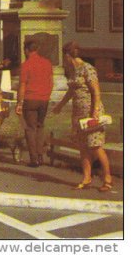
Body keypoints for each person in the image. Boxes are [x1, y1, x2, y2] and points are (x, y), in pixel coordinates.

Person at [53, 42, 112, 192]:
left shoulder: (87, 68)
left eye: (64, 56)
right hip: (78, 113)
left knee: (96, 146)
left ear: (67, 55)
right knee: (83, 147)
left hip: (91, 111)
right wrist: (60, 105)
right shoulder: (73, 71)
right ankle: (87, 178)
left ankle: (107, 179)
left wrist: (95, 112)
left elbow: (96, 91)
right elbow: (71, 91)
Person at [15, 40, 53, 167]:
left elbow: (22, 85)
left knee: (30, 128)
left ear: (26, 50)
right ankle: (40, 155)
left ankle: (34, 158)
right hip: (44, 99)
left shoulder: (26, 65)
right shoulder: (47, 63)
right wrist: (47, 95)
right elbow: (51, 82)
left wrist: (19, 103)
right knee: (40, 126)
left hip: (30, 99)